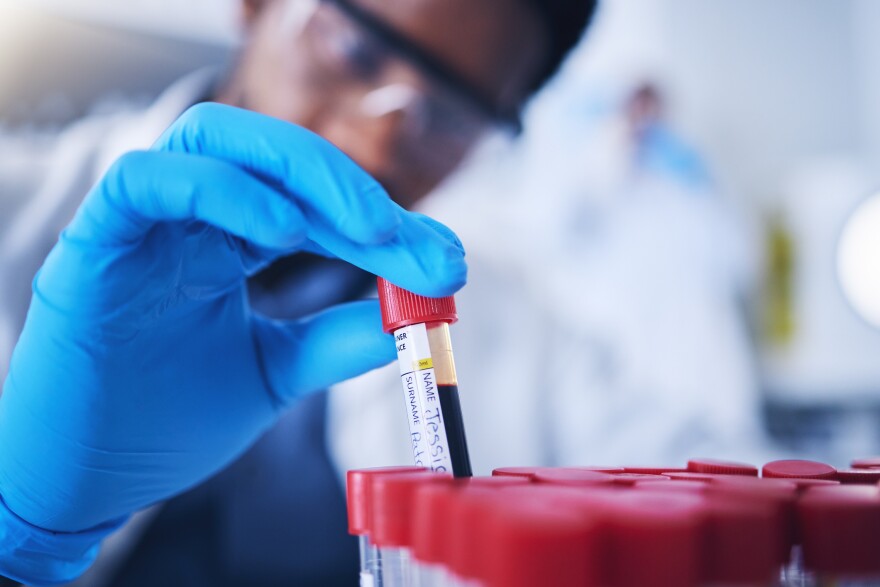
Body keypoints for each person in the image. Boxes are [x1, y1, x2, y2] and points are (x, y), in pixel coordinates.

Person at [0, 0, 597, 585]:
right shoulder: (15, 205)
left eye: (453, 117)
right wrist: (20, 539)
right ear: (256, 6)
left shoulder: (534, 338)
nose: (376, 144)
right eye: (353, 50)